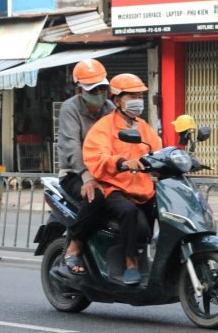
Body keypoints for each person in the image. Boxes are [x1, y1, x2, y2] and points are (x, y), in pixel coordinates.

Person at [83, 73, 162, 285]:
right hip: (114, 187)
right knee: (128, 213)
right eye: (131, 96)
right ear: (117, 100)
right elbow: (98, 157)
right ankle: (130, 264)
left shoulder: (143, 127)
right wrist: (121, 163)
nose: (138, 100)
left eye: (140, 96)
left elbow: (158, 150)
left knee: (167, 208)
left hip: (142, 188)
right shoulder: (104, 127)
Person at [54, 58, 115, 275]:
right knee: (95, 197)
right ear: (80, 90)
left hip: (106, 172)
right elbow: (72, 146)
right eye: (93, 89)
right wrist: (87, 176)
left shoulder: (110, 109)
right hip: (75, 173)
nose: (99, 93)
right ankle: (74, 247)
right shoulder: (70, 109)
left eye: (102, 88)